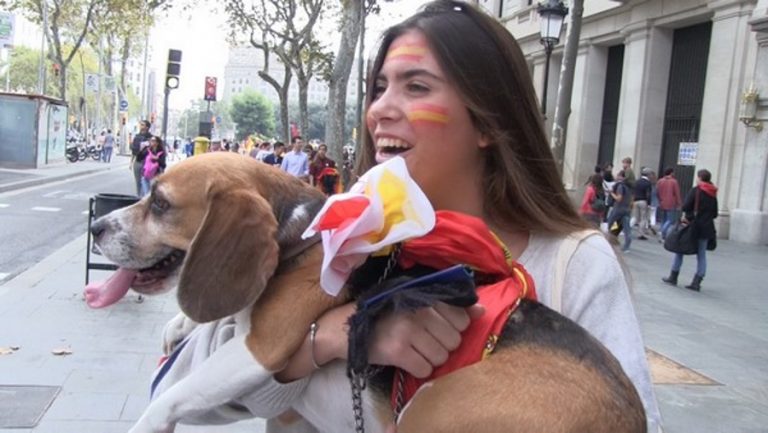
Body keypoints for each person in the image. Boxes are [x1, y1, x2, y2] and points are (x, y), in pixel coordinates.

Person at [152, 2, 661, 431]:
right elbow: (184, 386)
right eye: (379, 89)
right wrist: (331, 338)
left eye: (416, 87)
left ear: (488, 122)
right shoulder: (341, 240)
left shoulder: (574, 263)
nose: (380, 110)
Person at [662, 169, 718, 291]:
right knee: (701, 255)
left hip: (692, 226)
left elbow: (686, 206)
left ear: (700, 178)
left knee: (680, 249)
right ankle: (697, 281)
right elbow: (715, 213)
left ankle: (673, 276)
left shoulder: (696, 190)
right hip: (706, 228)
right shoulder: (713, 193)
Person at [607, 170, 633, 252]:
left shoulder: (620, 186)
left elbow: (619, 198)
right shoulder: (629, 187)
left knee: (611, 224)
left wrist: (611, 193)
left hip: (618, 209)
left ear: (621, 176)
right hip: (627, 209)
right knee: (626, 228)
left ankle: (612, 241)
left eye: (618, 175)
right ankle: (626, 246)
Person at [656, 167, 682, 240]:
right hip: (671, 203)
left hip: (662, 202)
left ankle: (662, 235)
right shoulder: (674, 182)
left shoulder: (660, 181)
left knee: (663, 219)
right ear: (671, 173)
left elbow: (657, 192)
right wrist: (679, 203)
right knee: (670, 220)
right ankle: (662, 232)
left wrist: (659, 200)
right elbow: (677, 193)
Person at [130, 120, 153, 197]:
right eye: (140, 125)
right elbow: (133, 151)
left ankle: (145, 197)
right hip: (137, 161)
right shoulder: (137, 137)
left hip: (146, 162)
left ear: (147, 127)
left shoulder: (151, 138)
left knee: (145, 181)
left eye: (143, 125)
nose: (141, 126)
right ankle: (138, 197)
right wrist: (131, 162)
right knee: (138, 182)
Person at [633, 168, 653, 240]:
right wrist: (649, 203)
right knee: (643, 218)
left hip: (636, 200)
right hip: (643, 201)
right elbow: (648, 194)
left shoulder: (637, 181)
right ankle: (641, 234)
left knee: (636, 217)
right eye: (650, 174)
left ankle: (629, 228)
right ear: (648, 175)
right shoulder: (648, 183)